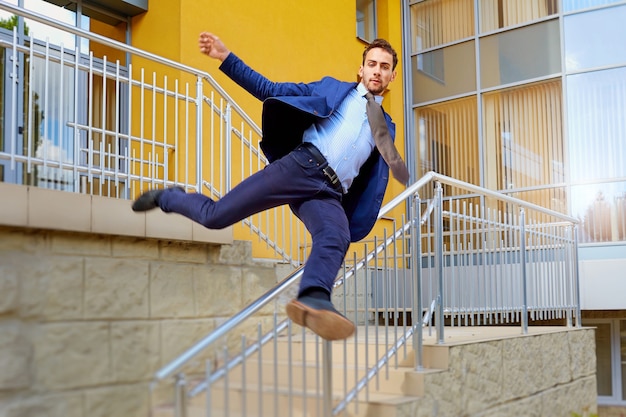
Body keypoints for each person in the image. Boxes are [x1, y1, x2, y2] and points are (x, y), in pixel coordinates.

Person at [132, 32, 408, 341]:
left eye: (384, 67)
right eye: (372, 64)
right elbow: (270, 90)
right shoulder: (332, 90)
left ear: (392, 76)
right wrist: (226, 57)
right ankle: (170, 197)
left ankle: (314, 297)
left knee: (337, 233)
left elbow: (376, 174)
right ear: (361, 69)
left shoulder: (385, 126)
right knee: (215, 217)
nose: (377, 71)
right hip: (300, 167)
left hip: (329, 191)